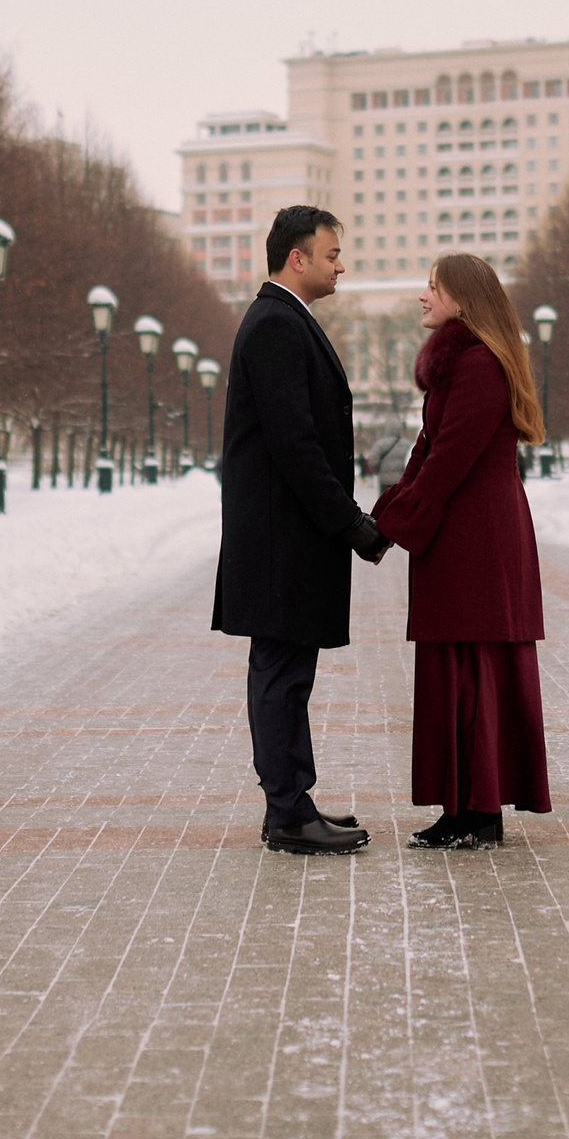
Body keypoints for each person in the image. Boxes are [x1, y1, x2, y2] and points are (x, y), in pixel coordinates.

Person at [211, 206, 393, 855]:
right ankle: (287, 810)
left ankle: (292, 800)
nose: (340, 264)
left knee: (289, 673)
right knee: (282, 674)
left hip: (284, 541)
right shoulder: (275, 325)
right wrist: (353, 525)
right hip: (278, 544)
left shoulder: (284, 320)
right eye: (332, 253)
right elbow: (296, 445)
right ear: (298, 257)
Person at [371, 253, 550, 848]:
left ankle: (477, 810)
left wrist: (399, 519)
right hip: (466, 532)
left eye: (432, 287)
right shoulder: (462, 364)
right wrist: (394, 511)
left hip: (478, 536)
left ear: (462, 300)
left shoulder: (478, 365)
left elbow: (447, 460)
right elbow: (429, 449)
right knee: (461, 665)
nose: (423, 296)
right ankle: (468, 807)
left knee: (474, 665)